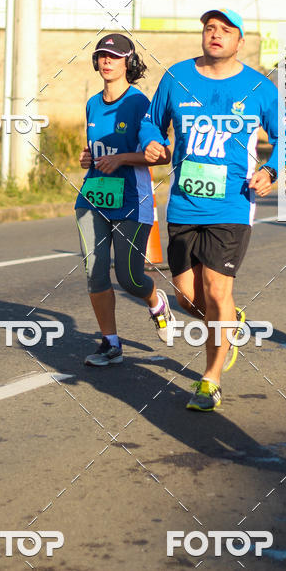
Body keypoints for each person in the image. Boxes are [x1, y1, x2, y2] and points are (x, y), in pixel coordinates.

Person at [140, 9, 278, 410]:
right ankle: (228, 322)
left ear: (240, 41)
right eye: (209, 28)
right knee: (187, 298)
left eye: (225, 30)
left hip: (233, 203)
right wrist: (151, 141)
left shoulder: (258, 87)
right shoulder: (177, 78)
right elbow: (152, 121)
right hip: (183, 202)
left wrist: (271, 169)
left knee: (218, 289)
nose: (215, 34)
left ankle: (210, 380)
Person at [75, 33, 175, 366]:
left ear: (128, 63)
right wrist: (89, 158)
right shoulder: (91, 103)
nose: (107, 61)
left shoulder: (139, 103)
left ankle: (157, 304)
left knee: (129, 277)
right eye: (102, 55)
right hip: (94, 195)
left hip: (132, 198)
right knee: (95, 272)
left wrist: (121, 160)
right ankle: (111, 343)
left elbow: (160, 156)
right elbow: (98, 149)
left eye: (114, 57)